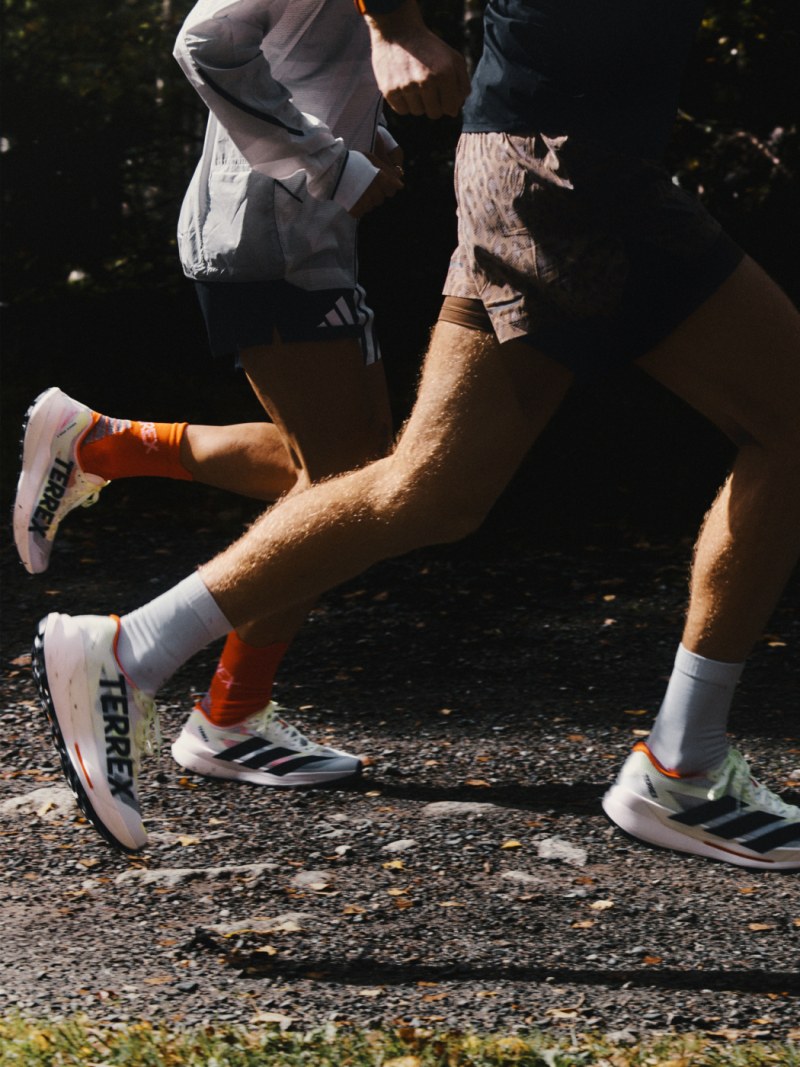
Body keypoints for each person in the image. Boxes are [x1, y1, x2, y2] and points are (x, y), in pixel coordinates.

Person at [31, 0, 800, 868]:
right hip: (568, 164)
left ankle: (124, 650)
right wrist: (392, 26)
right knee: (790, 424)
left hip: (535, 155)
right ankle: (683, 764)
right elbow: (206, 42)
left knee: (430, 487)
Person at [15, 0, 405, 795]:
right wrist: (330, 161)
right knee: (342, 491)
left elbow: (310, 53)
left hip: (305, 231)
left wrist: (365, 139)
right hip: (268, 233)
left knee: (360, 472)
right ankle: (221, 713)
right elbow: (205, 42)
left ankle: (99, 444)